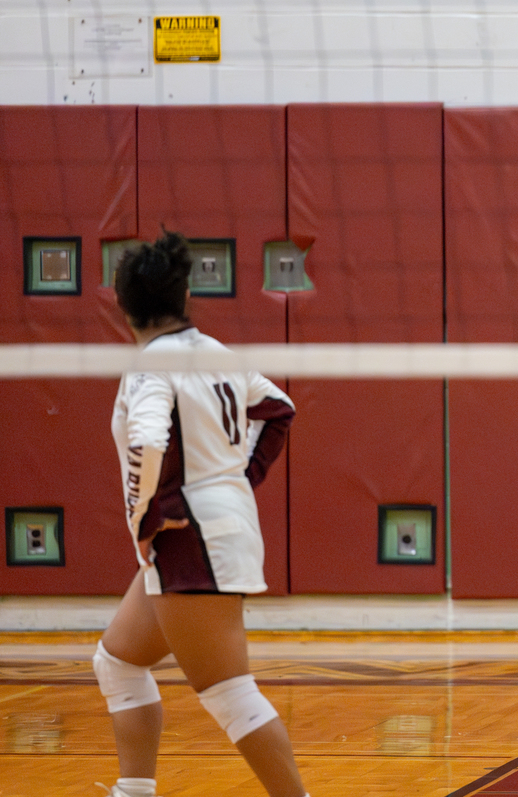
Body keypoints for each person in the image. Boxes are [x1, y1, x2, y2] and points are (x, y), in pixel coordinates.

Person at [95, 231, 308, 797]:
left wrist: (148, 518)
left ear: (121, 304)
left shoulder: (148, 367)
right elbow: (278, 409)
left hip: (189, 536)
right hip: (216, 529)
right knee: (116, 661)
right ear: (186, 295)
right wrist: (238, 480)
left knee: (229, 694)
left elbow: (146, 440)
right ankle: (133, 792)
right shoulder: (219, 354)